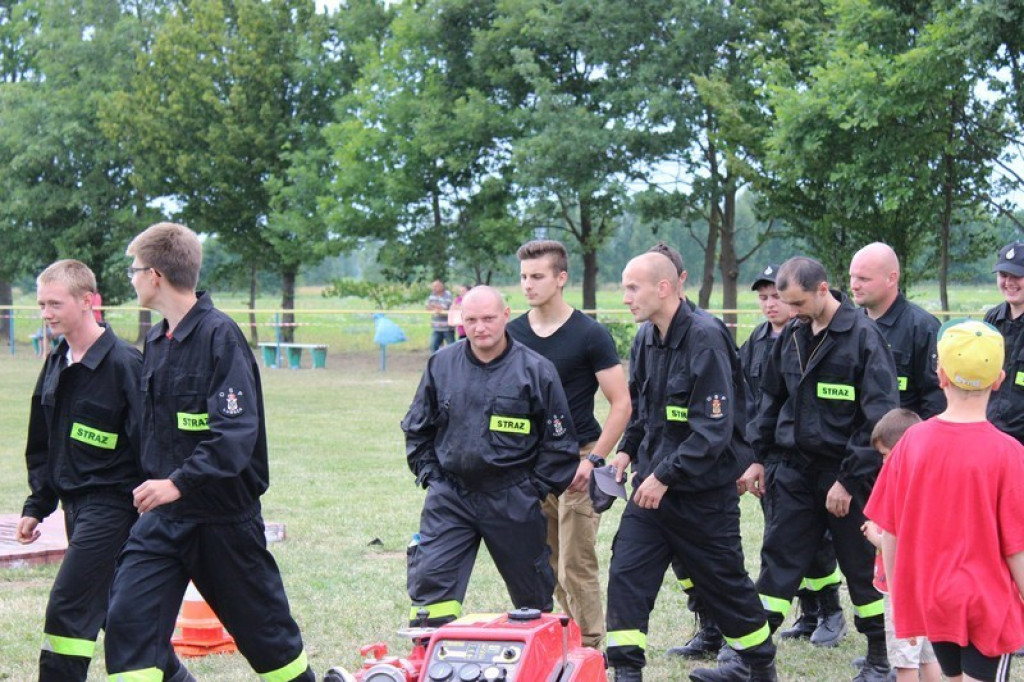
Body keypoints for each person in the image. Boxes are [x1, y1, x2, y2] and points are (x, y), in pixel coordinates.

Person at [104, 222, 315, 682]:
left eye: (134, 269)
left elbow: (234, 438)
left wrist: (176, 483)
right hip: (165, 521)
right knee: (127, 623)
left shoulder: (222, 337)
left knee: (268, 639)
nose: (131, 278)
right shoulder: (157, 340)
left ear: (156, 274)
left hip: (223, 521)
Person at [606, 252, 776, 682]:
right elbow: (644, 412)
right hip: (651, 492)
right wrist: (627, 451)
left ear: (664, 288)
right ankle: (626, 672)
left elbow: (714, 431)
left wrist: (665, 475)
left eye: (632, 287)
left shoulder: (705, 338)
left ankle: (758, 668)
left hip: (702, 496)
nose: (625, 297)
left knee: (726, 588)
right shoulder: (645, 338)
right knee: (627, 574)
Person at [740, 256, 899, 682]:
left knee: (861, 566)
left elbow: (878, 420)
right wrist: (759, 456)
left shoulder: (863, 338)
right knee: (778, 559)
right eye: (785, 303)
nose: (790, 312)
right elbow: (771, 400)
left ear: (823, 290)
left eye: (797, 302)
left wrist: (847, 480)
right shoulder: (791, 334)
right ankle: (751, 661)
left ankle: (881, 660)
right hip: (791, 470)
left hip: (844, 474)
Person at [401, 285, 580, 627]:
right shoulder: (441, 364)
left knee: (532, 596)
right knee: (430, 584)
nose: (480, 328)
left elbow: (559, 444)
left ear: (506, 316)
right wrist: (432, 478)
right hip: (451, 496)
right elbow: (417, 428)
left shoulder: (536, 370)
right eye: (471, 320)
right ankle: (429, 658)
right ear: (460, 320)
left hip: (512, 498)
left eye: (488, 318)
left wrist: (531, 490)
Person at [865, 319, 1024, 682]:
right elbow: (1017, 548)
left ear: (941, 375)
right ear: (999, 379)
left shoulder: (911, 443)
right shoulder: (1010, 453)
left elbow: (890, 531)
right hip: (987, 607)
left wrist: (904, 594)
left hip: (933, 600)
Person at [16, 260, 152, 681]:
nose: (45, 313)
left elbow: (150, 441)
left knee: (69, 607)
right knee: (120, 615)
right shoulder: (58, 362)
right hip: (76, 508)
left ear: (88, 301)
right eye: (41, 304)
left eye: (54, 303)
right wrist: (37, 504)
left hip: (115, 507)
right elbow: (43, 441)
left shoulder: (126, 364)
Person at [507, 239, 631, 648]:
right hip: (533, 466)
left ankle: (594, 650)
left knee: (576, 564)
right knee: (549, 563)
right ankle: (569, 640)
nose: (528, 284)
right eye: (524, 276)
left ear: (561, 278)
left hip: (579, 460)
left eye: (537, 276)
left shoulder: (589, 333)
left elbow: (621, 404)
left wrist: (595, 460)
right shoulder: (514, 333)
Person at [860, 408, 941, 682]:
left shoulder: (901, 487)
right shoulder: (931, 484)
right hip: (930, 587)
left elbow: (900, 542)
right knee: (929, 657)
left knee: (905, 663)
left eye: (885, 455)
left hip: (903, 591)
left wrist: (874, 535)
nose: (883, 463)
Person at [984, 241, 1024, 444]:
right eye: (1003, 275)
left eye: (1017, 275)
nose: (1009, 282)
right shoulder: (991, 319)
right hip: (991, 437)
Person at [426, 279, 455, 352]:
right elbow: (427, 307)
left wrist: (434, 306)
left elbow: (443, 307)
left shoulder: (448, 294)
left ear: (442, 286)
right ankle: (434, 361)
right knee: (433, 346)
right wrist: (435, 307)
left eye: (436, 286)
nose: (434, 288)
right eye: (433, 286)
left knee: (452, 347)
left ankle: (454, 361)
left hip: (447, 327)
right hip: (436, 327)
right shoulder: (432, 295)